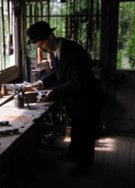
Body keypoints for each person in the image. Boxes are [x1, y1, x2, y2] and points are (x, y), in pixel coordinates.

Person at [26, 21, 105, 177]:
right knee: (77, 129)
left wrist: (54, 92)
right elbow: (57, 73)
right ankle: (72, 154)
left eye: (40, 42)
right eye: (36, 43)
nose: (39, 46)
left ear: (50, 36)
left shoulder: (74, 50)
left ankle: (83, 167)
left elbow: (78, 81)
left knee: (86, 135)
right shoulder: (56, 52)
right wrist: (40, 83)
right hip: (74, 100)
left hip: (87, 100)